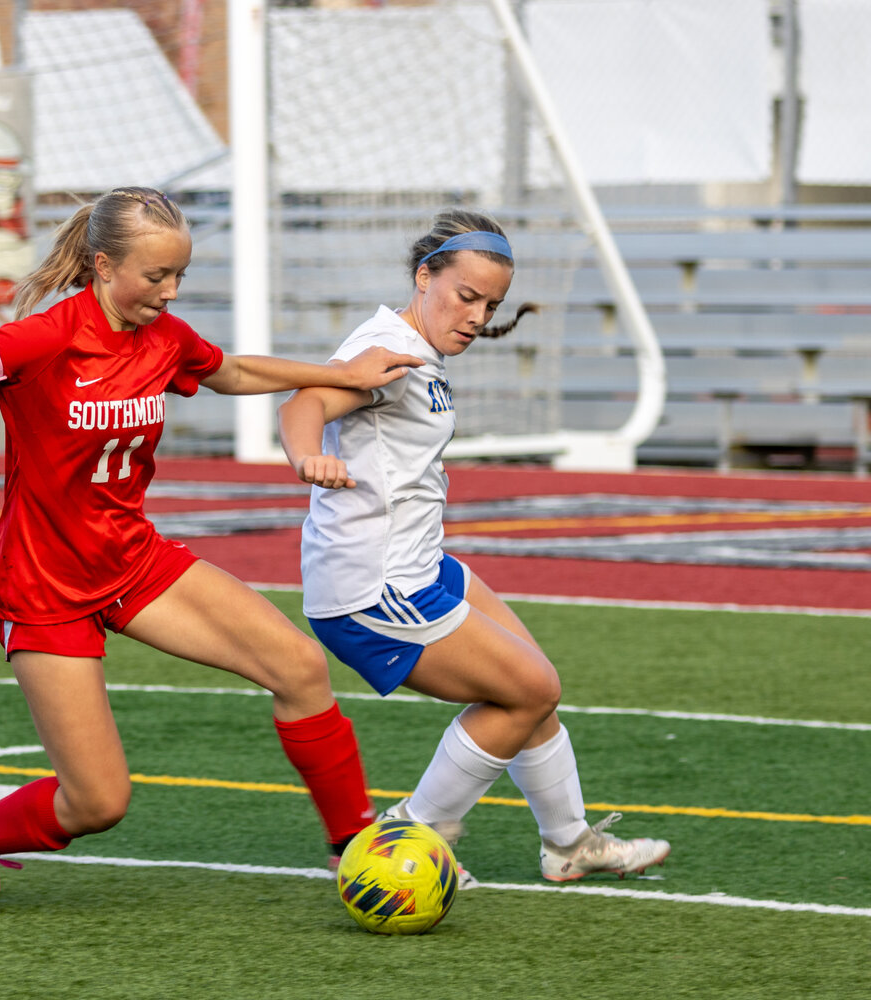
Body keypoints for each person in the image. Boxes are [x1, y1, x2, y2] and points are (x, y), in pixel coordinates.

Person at [0, 186, 423, 915]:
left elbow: (232, 372)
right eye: (156, 278)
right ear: (103, 264)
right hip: (45, 588)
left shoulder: (165, 336)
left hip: (133, 563)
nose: (170, 292)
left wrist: (341, 375)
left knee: (299, 666)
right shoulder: (46, 337)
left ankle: (358, 849)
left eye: (179, 276)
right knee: (98, 802)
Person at [277, 209, 670, 883]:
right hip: (375, 588)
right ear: (424, 276)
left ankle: (569, 844)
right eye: (466, 296)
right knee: (529, 688)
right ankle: (405, 839)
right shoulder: (389, 351)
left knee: (534, 690)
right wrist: (308, 457)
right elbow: (302, 403)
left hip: (420, 563)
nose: (477, 316)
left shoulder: (419, 347)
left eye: (491, 304)